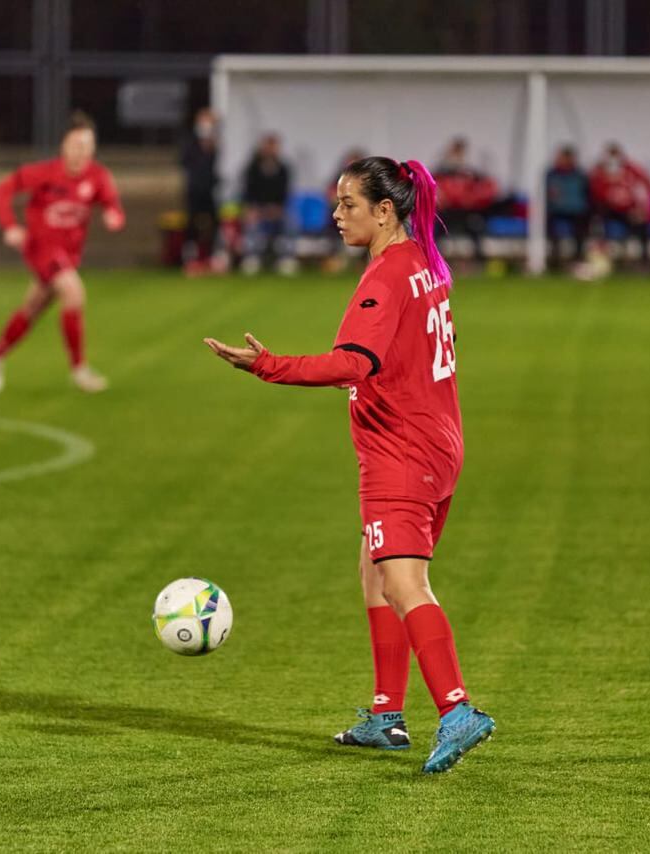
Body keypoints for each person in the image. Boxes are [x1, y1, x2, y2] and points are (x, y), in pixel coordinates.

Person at [203, 156, 495, 775]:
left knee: (403, 583)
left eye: (348, 205)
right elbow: (404, 353)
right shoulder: (423, 262)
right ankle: (387, 715)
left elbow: (351, 362)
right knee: (374, 570)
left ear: (384, 210)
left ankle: (457, 709)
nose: (336, 216)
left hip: (401, 454)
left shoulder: (386, 276)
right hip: (440, 442)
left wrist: (264, 364)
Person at [0, 111, 123, 394]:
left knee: (33, 308)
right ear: (64, 146)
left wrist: (113, 216)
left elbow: (112, 205)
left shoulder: (97, 176)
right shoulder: (45, 173)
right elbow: (2, 190)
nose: (82, 152)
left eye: (87, 146)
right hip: (41, 250)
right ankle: (79, 369)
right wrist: (10, 226)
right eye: (76, 145)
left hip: (68, 255)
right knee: (73, 293)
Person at [589, 143, 650, 268]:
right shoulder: (599, 172)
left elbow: (649, 186)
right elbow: (594, 193)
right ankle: (601, 261)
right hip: (608, 210)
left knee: (643, 227)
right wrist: (605, 180)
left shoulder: (631, 169)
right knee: (596, 224)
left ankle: (644, 263)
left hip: (629, 211)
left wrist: (642, 209)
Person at [433, 137, 498, 262]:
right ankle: (434, 260)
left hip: (465, 211)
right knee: (435, 228)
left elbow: (482, 189)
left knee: (476, 226)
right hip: (447, 211)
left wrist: (471, 200)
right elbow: (434, 189)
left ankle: (480, 261)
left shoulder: (470, 172)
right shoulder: (441, 171)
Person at [240, 133, 293, 274]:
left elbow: (285, 192)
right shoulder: (252, 168)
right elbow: (248, 192)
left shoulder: (283, 169)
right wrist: (255, 209)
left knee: (290, 221)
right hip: (258, 209)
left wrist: (276, 208)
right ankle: (252, 256)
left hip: (277, 209)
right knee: (251, 222)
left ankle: (285, 258)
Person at [180, 107, 223, 275]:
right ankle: (190, 258)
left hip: (209, 189)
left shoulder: (214, 143)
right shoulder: (189, 141)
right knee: (192, 224)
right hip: (194, 189)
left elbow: (215, 165)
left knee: (214, 222)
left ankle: (212, 257)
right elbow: (184, 162)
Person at [545, 145, 590, 266]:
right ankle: (554, 260)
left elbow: (586, 194)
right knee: (548, 225)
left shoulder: (580, 175)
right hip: (556, 211)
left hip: (576, 211)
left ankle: (578, 258)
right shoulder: (551, 175)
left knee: (582, 227)